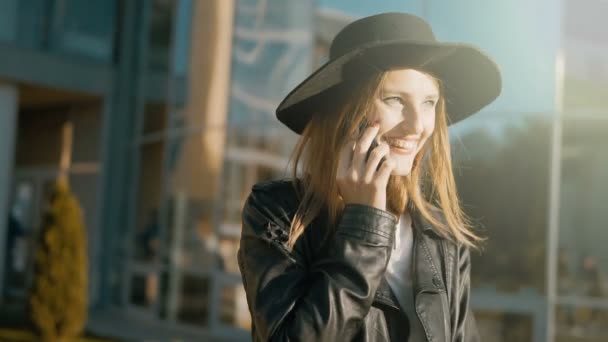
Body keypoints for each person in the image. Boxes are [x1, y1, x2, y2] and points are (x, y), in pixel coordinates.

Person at [237, 12, 502, 341]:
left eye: (429, 102)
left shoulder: (439, 236)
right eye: (395, 100)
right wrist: (365, 224)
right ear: (344, 113)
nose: (418, 125)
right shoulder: (276, 213)